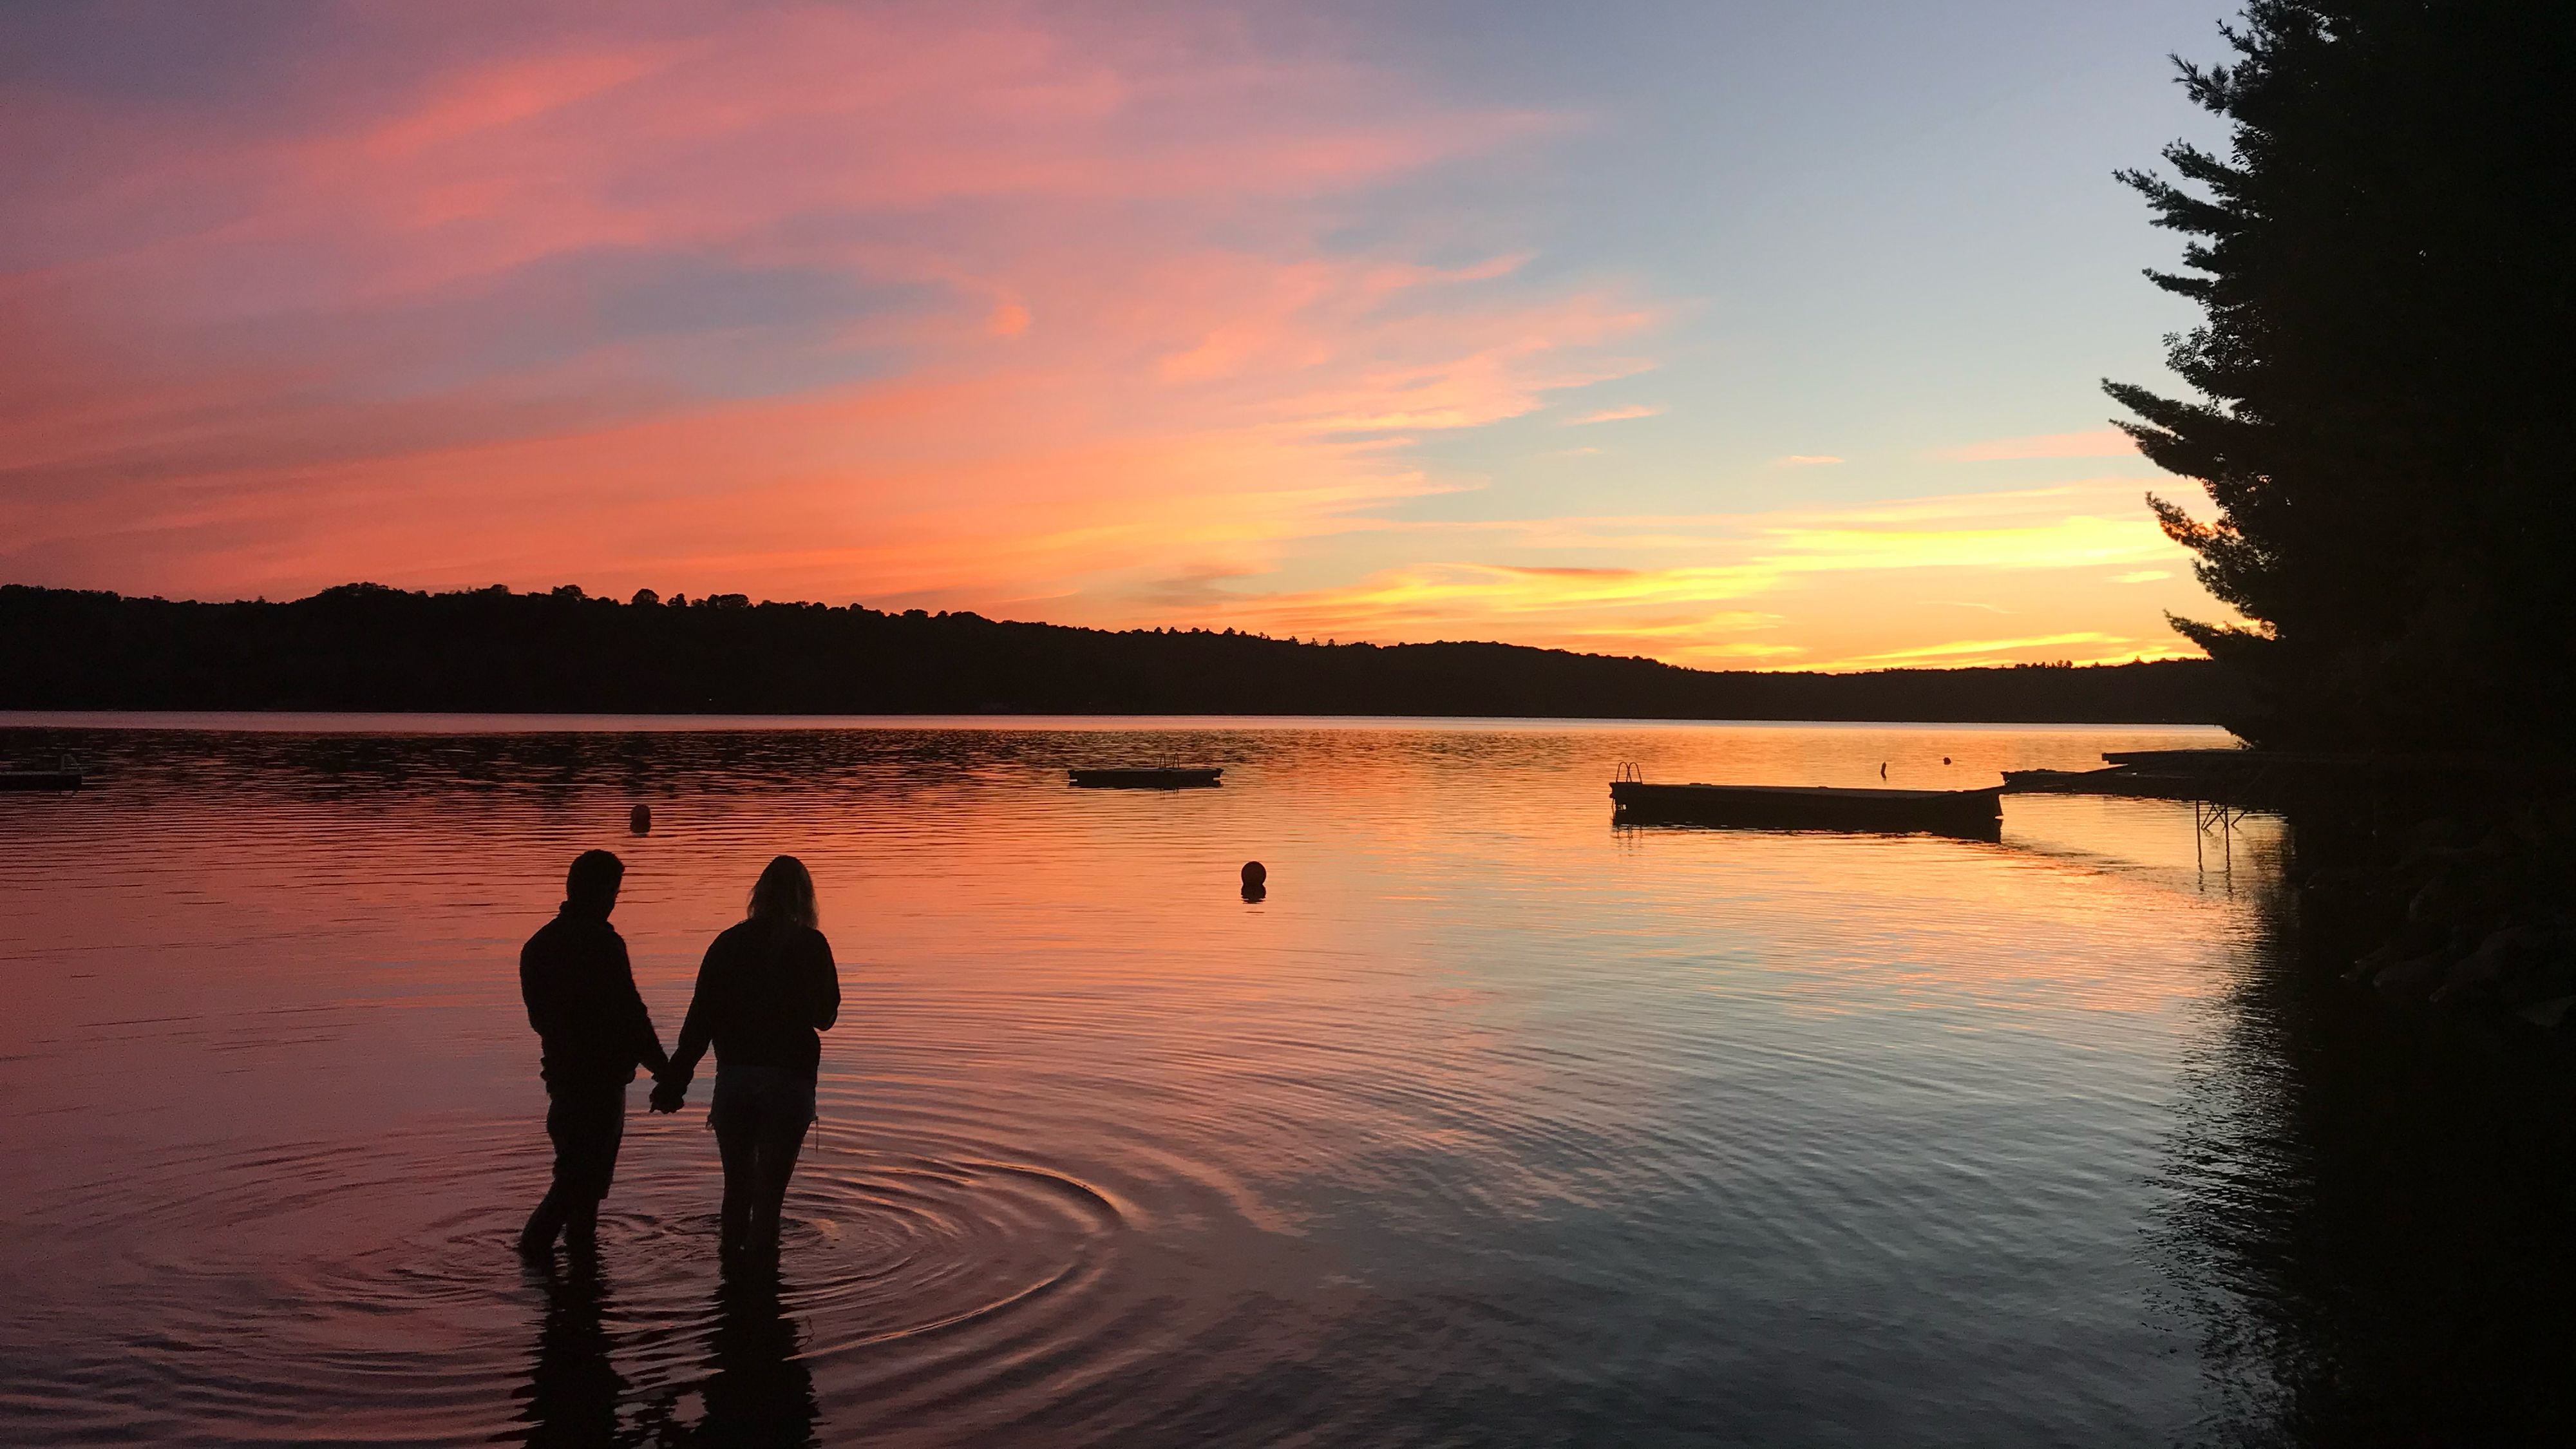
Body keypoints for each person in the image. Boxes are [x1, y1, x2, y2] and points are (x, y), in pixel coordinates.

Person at [654, 856, 840, 1262]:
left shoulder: (726, 944)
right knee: (769, 1203)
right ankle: (760, 1296)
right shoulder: (812, 945)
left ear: (759, 895)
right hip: (790, 1083)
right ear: (805, 900)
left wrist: (674, 1082)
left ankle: (730, 1286)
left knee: (736, 1192)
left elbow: (698, 1022)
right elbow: (825, 1017)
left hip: (736, 1081)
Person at [518, 849, 675, 1258]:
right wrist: (665, 1071)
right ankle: (532, 1258)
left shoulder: (537, 946)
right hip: (600, 1085)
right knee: (576, 1186)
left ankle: (580, 1279)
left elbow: (540, 1022)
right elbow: (632, 1016)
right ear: (598, 891)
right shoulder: (604, 944)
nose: (614, 901)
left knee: (581, 1191)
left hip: (562, 1083)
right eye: (612, 891)